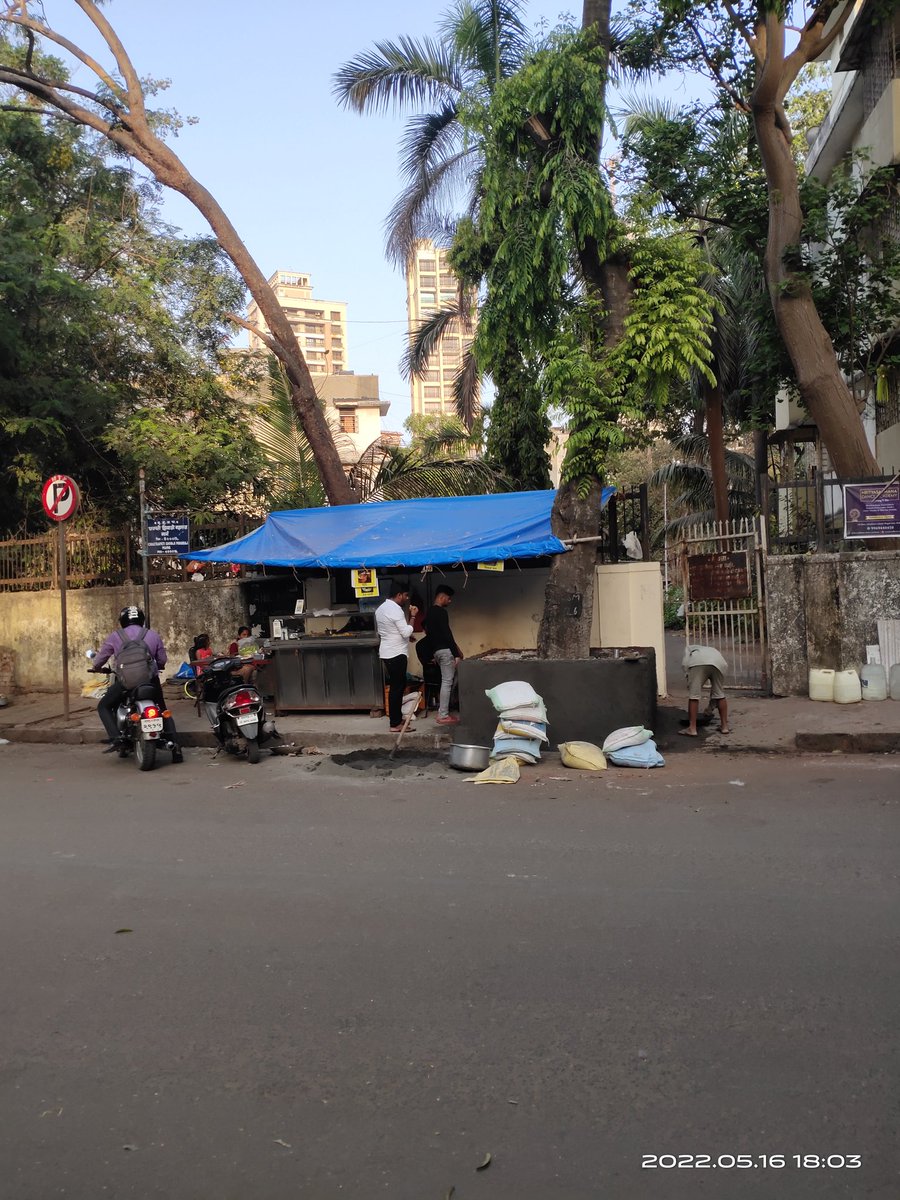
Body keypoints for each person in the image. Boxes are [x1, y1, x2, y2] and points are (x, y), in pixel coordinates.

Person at [93, 605, 183, 760]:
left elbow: (101, 658)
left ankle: (116, 738)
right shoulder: (152, 635)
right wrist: (158, 667)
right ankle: (176, 750)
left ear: (122, 621)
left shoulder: (115, 636)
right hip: (150, 682)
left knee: (104, 706)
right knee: (162, 709)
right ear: (141, 620)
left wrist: (96, 667)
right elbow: (162, 660)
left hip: (125, 683)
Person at [375, 583, 417, 732]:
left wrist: (407, 636)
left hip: (387, 652)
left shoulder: (381, 609)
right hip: (397, 653)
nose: (406, 599)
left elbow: (392, 631)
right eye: (405, 595)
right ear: (399, 595)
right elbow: (404, 632)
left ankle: (396, 718)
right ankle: (395, 723)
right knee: (397, 688)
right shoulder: (396, 610)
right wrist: (412, 616)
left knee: (396, 687)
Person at [422, 585, 463, 726]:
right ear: (441, 597)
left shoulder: (429, 613)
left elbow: (426, 632)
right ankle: (443, 715)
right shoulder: (441, 612)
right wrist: (456, 653)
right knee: (447, 682)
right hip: (445, 652)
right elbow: (447, 633)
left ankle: (445, 708)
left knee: (449, 680)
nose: (449, 601)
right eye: (448, 598)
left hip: (436, 652)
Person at [679, 644, 730, 737]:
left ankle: (692, 728)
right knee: (719, 694)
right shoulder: (713, 649)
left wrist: (687, 675)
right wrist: (710, 707)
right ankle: (724, 727)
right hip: (719, 664)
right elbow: (716, 695)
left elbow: (685, 663)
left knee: (694, 695)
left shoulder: (689, 648)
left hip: (698, 663)